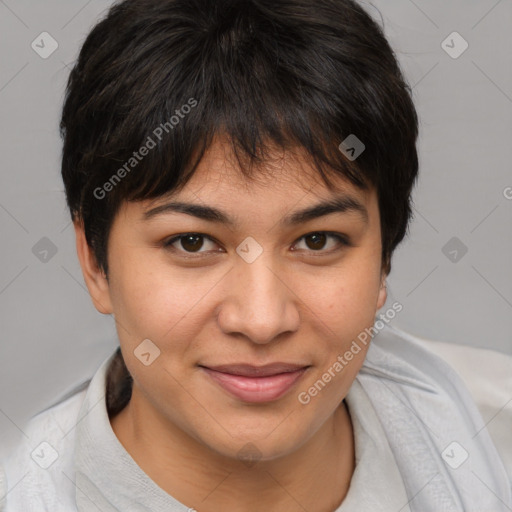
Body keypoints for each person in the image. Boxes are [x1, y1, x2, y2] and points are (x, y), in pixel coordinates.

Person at [1, 0, 510, 510]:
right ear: (95, 262)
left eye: (317, 240)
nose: (262, 321)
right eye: (193, 242)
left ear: (383, 260)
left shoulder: (494, 437)